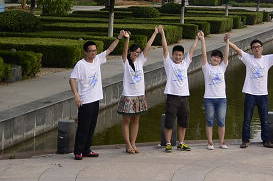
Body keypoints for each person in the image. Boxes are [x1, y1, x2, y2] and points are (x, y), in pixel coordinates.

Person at [69, 32, 122, 160]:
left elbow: (110, 50)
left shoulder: (97, 60)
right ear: (85, 52)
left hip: (95, 99)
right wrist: (76, 95)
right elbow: (72, 79)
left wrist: (119, 37)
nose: (93, 53)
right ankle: (78, 151)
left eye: (95, 50)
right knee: (83, 127)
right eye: (91, 51)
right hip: (85, 101)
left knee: (92, 126)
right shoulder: (80, 64)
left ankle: (87, 149)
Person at [228, 32, 273, 148]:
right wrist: (227, 41)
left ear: (262, 48)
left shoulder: (267, 59)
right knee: (247, 119)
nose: (256, 49)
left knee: (264, 120)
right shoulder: (248, 58)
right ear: (252, 49)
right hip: (250, 94)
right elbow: (237, 50)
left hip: (263, 94)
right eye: (254, 47)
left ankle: (266, 141)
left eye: (258, 47)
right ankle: (245, 140)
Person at [118, 26, 159, 154]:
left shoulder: (140, 61)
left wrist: (155, 33)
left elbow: (148, 46)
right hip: (128, 95)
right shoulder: (125, 62)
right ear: (130, 52)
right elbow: (124, 52)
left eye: (138, 52)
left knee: (136, 120)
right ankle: (127, 144)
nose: (137, 54)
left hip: (139, 95)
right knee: (126, 121)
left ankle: (133, 143)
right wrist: (127, 39)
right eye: (135, 52)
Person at [161, 26, 200, 152]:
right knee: (169, 121)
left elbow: (192, 51)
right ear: (172, 55)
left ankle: (181, 143)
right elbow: (165, 49)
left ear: (183, 56)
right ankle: (168, 143)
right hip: (172, 97)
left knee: (184, 121)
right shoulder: (169, 64)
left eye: (180, 55)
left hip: (184, 97)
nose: (178, 57)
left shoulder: (185, 64)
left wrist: (197, 39)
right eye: (176, 55)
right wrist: (162, 34)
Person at [200, 31, 231, 150]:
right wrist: (203, 40)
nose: (216, 59)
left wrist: (227, 41)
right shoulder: (206, 67)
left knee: (221, 121)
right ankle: (210, 142)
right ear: (211, 57)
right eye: (214, 56)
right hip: (209, 98)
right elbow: (203, 54)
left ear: (220, 59)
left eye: (218, 57)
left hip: (222, 98)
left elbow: (227, 55)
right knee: (209, 121)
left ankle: (222, 142)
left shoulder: (222, 67)